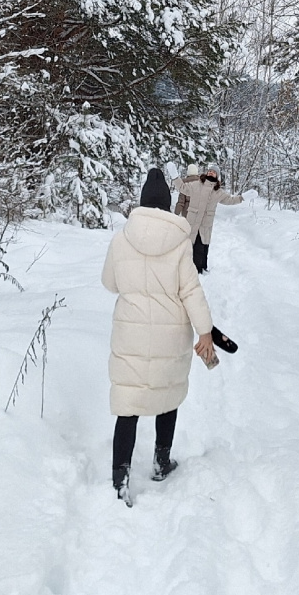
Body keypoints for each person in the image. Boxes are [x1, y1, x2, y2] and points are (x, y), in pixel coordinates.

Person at [101, 168, 216, 506]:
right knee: (167, 397)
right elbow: (192, 291)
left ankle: (119, 477)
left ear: (140, 203)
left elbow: (110, 283)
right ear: (166, 206)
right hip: (170, 336)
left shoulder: (121, 239)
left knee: (129, 404)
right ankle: (161, 462)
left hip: (130, 335)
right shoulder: (180, 242)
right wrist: (205, 331)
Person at [173, 163, 244, 273]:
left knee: (203, 246)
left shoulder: (218, 192)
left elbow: (230, 200)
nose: (211, 172)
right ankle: (192, 270)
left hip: (205, 224)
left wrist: (242, 198)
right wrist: (175, 177)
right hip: (192, 222)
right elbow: (182, 188)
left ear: (217, 176)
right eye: (210, 171)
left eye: (214, 172)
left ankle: (202, 270)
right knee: (189, 245)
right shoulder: (195, 185)